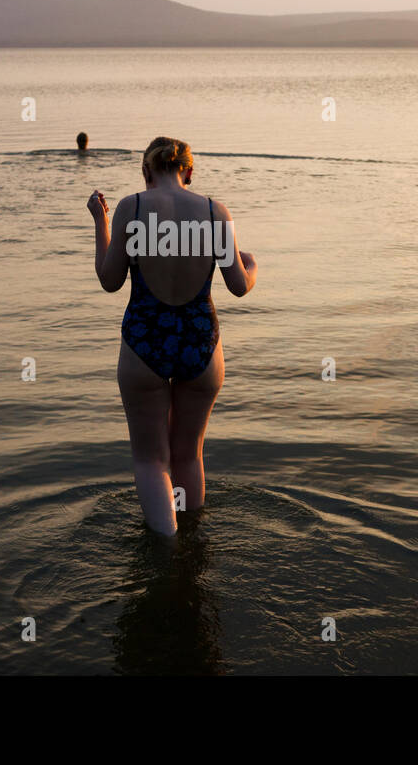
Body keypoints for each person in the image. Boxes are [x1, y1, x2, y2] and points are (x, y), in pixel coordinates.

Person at [87, 137, 257, 536]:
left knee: (151, 461)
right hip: (200, 342)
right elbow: (238, 285)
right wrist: (252, 265)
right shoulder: (216, 212)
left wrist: (101, 222)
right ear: (190, 171)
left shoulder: (133, 206)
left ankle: (166, 549)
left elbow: (109, 281)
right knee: (188, 455)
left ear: (146, 172)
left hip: (145, 341)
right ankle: (192, 545)